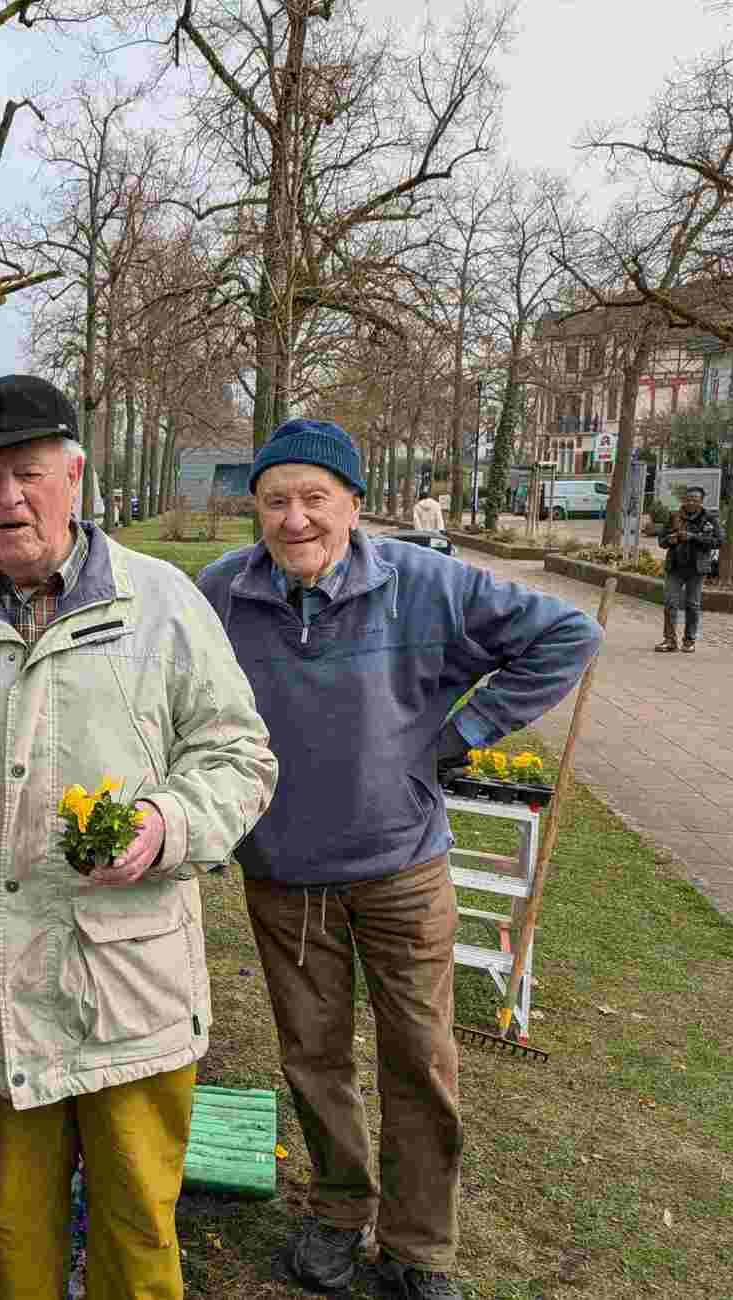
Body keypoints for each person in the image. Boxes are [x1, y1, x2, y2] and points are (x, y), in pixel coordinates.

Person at [0, 374, 278, 1300]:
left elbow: (240, 757)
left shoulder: (161, 603)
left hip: (127, 982)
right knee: (16, 1224)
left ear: (74, 475)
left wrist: (167, 824)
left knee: (138, 1219)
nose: (8, 497)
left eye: (28, 472)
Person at [196, 419, 603, 1300]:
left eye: (314, 498)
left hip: (400, 872)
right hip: (283, 875)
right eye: (275, 500)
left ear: (352, 502)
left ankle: (419, 1248)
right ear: (254, 509)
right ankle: (340, 1214)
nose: (294, 519)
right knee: (313, 1057)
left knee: (418, 1058)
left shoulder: (424, 584)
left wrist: (461, 733)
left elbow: (565, 634)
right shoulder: (219, 595)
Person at [657, 485, 720, 653]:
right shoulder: (674, 517)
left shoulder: (709, 518)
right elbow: (661, 541)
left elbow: (718, 541)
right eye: (688, 499)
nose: (691, 502)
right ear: (683, 500)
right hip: (675, 567)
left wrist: (694, 537)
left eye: (695, 500)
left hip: (697, 568)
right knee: (670, 602)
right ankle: (669, 640)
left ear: (701, 501)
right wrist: (669, 540)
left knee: (692, 604)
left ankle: (689, 640)